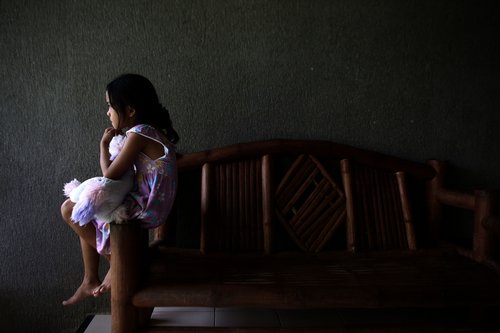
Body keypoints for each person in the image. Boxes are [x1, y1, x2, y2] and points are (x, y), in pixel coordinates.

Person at [61, 74, 179, 306]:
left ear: (131, 110)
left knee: (69, 208)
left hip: (144, 207)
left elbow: (109, 175)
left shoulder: (139, 134)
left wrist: (103, 146)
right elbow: (115, 176)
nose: (108, 113)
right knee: (84, 209)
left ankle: (120, 262)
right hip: (151, 205)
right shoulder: (149, 132)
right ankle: (91, 278)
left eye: (109, 106)